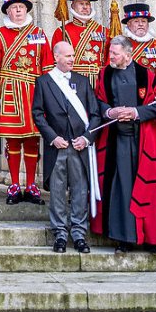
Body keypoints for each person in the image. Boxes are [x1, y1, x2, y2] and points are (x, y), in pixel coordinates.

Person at [92, 33, 156, 253]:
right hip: (117, 142)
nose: (110, 57)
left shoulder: (147, 75)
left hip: (144, 140)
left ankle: (150, 239)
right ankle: (124, 238)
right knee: (122, 188)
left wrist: (135, 112)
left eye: (115, 54)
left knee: (148, 188)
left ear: (128, 54)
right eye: (110, 53)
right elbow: (97, 103)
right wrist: (110, 111)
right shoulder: (104, 75)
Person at [32, 38, 103, 254]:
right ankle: (60, 233)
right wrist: (52, 137)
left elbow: (95, 114)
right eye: (68, 55)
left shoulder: (82, 82)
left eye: (73, 55)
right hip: (57, 146)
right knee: (57, 190)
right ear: (57, 57)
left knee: (80, 190)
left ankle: (79, 234)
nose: (72, 59)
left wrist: (87, 138)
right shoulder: (44, 82)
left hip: (79, 145)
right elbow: (38, 113)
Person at [0, 0, 53, 205]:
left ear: (27, 9)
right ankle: (15, 184)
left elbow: (47, 66)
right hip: (9, 92)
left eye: (21, 7)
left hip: (34, 91)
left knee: (34, 140)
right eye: (14, 8)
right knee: (13, 141)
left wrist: (49, 96)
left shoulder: (38, 33)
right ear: (7, 10)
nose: (18, 11)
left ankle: (32, 185)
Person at [54, 0, 106, 85]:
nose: (85, 7)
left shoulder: (104, 31)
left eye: (87, 3)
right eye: (81, 4)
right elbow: (56, 61)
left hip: (99, 81)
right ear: (73, 6)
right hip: (72, 80)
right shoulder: (62, 32)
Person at [123, 2, 156, 87]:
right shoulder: (121, 45)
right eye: (136, 21)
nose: (140, 24)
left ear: (148, 24)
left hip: (153, 92)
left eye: (143, 21)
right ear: (128, 24)